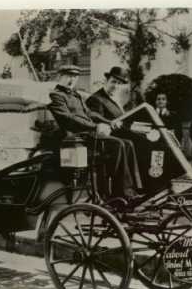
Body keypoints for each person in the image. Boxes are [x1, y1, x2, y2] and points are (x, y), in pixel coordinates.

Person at [48, 64, 142, 199]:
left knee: (127, 143)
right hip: (76, 139)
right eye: (69, 76)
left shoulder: (76, 95)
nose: (71, 80)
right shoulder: (56, 95)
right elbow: (68, 118)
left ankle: (130, 189)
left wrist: (108, 122)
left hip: (87, 136)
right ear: (60, 77)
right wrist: (94, 127)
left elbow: (90, 113)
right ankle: (118, 193)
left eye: (75, 77)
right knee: (118, 145)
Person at [85, 66, 142, 191]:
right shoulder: (96, 99)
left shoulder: (113, 99)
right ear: (106, 81)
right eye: (113, 82)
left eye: (119, 84)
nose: (115, 86)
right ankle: (123, 190)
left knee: (134, 142)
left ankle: (135, 187)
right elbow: (98, 122)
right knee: (126, 144)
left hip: (115, 136)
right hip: (102, 140)